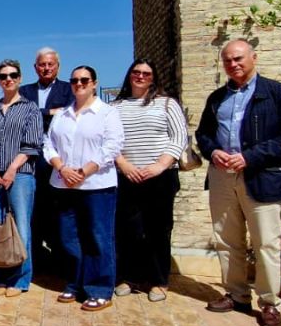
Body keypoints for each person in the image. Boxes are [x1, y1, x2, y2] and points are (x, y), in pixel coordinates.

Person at [196, 39, 281, 326]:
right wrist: (213, 151)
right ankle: (236, 294)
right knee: (227, 239)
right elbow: (203, 134)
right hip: (222, 177)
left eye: (238, 58)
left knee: (266, 242)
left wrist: (250, 157)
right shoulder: (217, 98)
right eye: (228, 60)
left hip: (262, 177)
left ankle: (269, 303)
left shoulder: (277, 94)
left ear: (253, 58)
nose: (233, 64)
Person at [45, 66, 124, 311]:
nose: (79, 84)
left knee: (98, 237)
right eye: (74, 80)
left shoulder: (107, 113)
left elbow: (112, 146)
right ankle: (75, 283)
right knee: (68, 237)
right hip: (63, 183)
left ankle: (99, 289)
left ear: (94, 83)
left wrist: (84, 171)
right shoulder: (62, 114)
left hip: (96, 185)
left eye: (84, 80)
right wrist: (62, 168)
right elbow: (48, 143)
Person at [113, 59, 188, 302]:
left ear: (153, 77)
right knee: (128, 230)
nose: (141, 76)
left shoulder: (167, 104)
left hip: (161, 177)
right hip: (128, 176)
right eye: (136, 72)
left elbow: (179, 137)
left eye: (146, 73)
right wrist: (124, 165)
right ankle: (129, 277)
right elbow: (109, 141)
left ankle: (158, 280)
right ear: (129, 75)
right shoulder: (115, 106)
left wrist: (159, 166)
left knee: (158, 229)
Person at [0, 60, 43, 297]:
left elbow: (32, 144)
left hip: (20, 175)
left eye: (13, 75)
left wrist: (12, 169)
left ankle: (20, 279)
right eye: (3, 76)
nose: (8, 79)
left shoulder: (30, 108)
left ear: (20, 78)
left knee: (20, 226)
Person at [19, 47, 73, 271]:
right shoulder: (24, 91)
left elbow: (70, 115)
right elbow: (20, 116)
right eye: (42, 64)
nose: (46, 68)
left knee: (59, 209)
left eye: (50, 64)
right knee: (33, 210)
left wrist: (37, 113)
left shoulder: (69, 89)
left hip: (58, 159)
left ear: (57, 66)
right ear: (35, 67)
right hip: (29, 159)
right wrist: (49, 112)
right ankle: (36, 259)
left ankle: (60, 258)